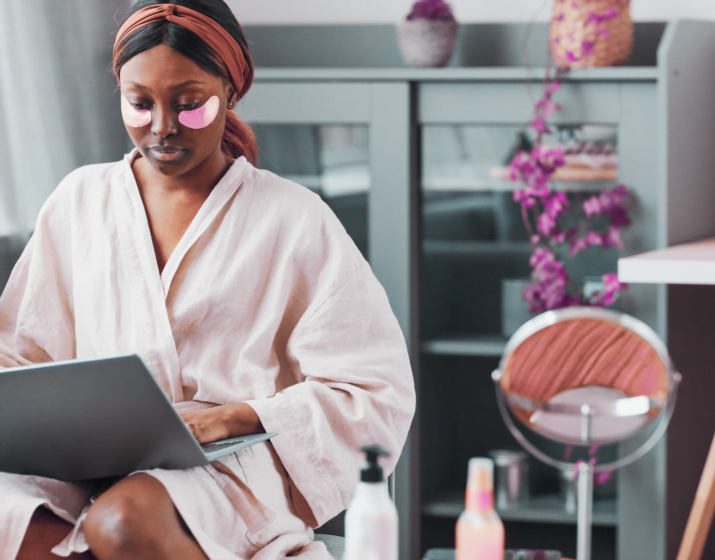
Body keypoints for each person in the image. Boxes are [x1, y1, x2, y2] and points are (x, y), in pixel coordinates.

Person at [0, 1, 416, 559]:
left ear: (232, 91)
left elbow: (374, 391)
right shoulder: (79, 200)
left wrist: (235, 417)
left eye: (190, 105)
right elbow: (19, 352)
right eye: (139, 104)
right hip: (86, 455)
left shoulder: (294, 218)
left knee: (122, 523)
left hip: (230, 459)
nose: (164, 127)